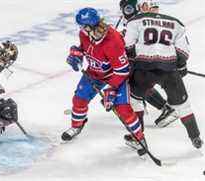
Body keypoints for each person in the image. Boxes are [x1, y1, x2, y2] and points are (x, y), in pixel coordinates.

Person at [61, 7, 148, 156]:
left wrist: (111, 89)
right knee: (79, 99)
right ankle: (77, 126)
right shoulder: (85, 34)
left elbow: (122, 70)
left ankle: (139, 138)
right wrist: (76, 54)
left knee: (123, 109)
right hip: (94, 74)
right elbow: (84, 48)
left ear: (90, 26)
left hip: (115, 76)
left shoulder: (113, 41)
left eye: (83, 26)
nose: (81, 29)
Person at [124, 0, 203, 149]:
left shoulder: (135, 21)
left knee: (135, 101)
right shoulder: (176, 23)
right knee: (183, 106)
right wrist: (181, 65)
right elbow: (183, 51)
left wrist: (133, 59)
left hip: (144, 70)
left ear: (141, 7)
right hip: (169, 70)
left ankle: (138, 138)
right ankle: (195, 137)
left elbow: (127, 46)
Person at [119, 0, 178, 129]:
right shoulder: (136, 19)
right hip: (148, 57)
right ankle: (150, 105)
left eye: (128, 9)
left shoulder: (139, 19)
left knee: (138, 82)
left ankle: (166, 109)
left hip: (150, 59)